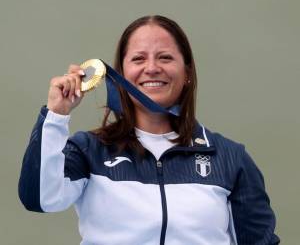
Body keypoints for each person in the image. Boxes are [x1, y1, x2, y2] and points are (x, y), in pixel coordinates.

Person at [18, 15, 280, 245]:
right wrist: (57, 114)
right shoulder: (90, 150)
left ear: (187, 72)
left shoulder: (230, 158)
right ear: (121, 74)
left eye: (165, 57)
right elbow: (40, 198)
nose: (152, 68)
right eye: (138, 58)